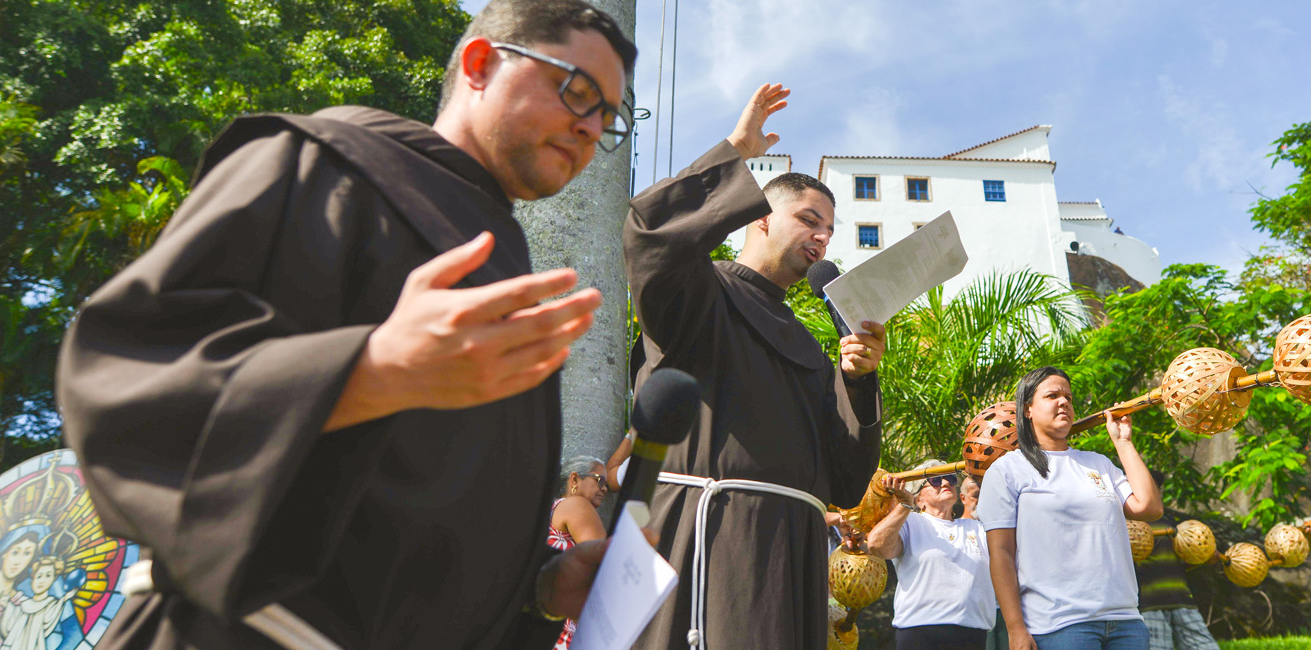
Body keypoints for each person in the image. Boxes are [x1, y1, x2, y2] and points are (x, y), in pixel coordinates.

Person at [52, 1, 636, 646]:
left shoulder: (512, 278)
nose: (589, 128)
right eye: (577, 92)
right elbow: (125, 382)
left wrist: (543, 586)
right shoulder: (324, 162)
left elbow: (428, 520)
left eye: (607, 116)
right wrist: (372, 370)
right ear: (478, 64)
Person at [624, 84, 888, 650]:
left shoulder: (812, 348)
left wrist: (859, 383)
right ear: (761, 218)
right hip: (701, 533)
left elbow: (845, 479)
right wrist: (734, 151)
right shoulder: (701, 290)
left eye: (830, 231)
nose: (822, 237)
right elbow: (650, 237)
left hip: (789, 552)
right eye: (809, 220)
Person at [979, 366, 1163, 650]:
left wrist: (1123, 442)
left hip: (1125, 621)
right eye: (1052, 395)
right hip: (1059, 626)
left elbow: (1149, 508)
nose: (1064, 402)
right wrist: (1015, 629)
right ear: (1027, 409)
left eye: (1068, 397)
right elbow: (1001, 553)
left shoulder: (1098, 463)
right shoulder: (1008, 469)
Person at [868, 460, 996, 650]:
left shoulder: (977, 528)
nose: (945, 483)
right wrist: (904, 505)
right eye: (935, 481)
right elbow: (877, 545)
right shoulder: (911, 521)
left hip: (972, 635)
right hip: (920, 634)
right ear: (919, 499)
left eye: (950, 478)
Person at [1132, 472, 1220, 650]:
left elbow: (1184, 561)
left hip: (1182, 601)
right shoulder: (1128, 524)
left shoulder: (1170, 523)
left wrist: (1205, 556)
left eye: (1155, 488)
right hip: (1148, 605)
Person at [545, 456, 610, 649]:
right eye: (599, 481)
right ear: (574, 479)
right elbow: (604, 566)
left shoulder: (552, 510)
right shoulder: (577, 505)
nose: (605, 489)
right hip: (571, 632)